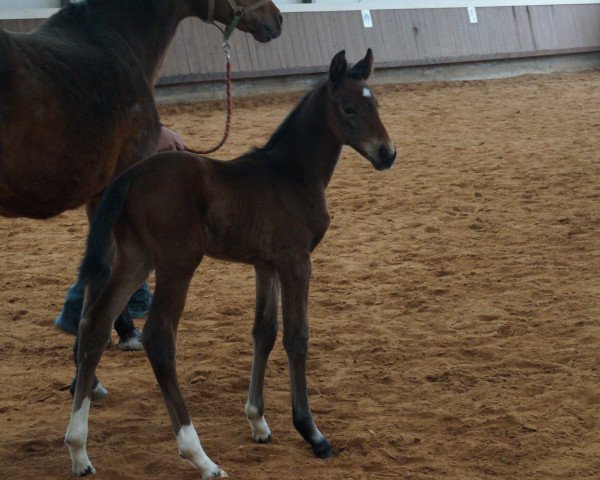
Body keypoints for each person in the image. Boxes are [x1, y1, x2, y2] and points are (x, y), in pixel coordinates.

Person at [53, 126, 186, 350]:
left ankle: (122, 323)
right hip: (110, 148)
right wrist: (154, 131)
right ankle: (78, 307)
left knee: (122, 238)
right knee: (122, 238)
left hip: (99, 151)